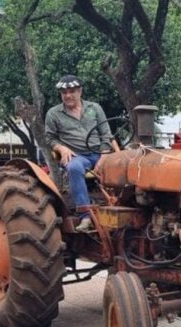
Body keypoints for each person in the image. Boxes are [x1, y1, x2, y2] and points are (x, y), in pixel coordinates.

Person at [45, 74, 119, 232]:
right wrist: (60, 147)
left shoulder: (95, 108)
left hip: (100, 153)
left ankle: (122, 207)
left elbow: (106, 134)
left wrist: (104, 156)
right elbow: (50, 139)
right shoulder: (54, 113)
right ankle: (85, 216)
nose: (68, 95)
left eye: (71, 91)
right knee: (74, 168)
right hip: (77, 156)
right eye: (64, 92)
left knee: (127, 165)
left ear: (80, 91)